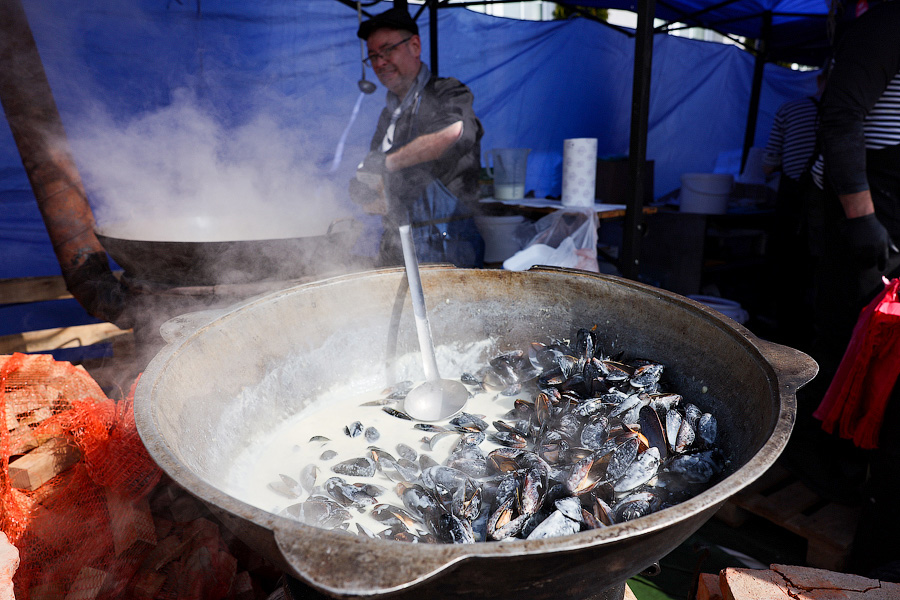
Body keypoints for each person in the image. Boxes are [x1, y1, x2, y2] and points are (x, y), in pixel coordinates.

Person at [791, 0, 900, 580]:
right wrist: (861, 222)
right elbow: (841, 116)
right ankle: (823, 461)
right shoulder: (888, 21)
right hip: (859, 200)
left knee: (885, 343)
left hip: (893, 196)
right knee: (843, 331)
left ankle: (859, 458)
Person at [349, 7, 485, 267]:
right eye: (373, 56)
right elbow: (377, 174)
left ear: (414, 45)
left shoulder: (448, 92)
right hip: (395, 244)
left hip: (446, 245)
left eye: (388, 50)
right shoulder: (387, 115)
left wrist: (387, 162)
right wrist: (364, 187)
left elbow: (453, 132)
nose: (379, 63)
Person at [761, 70, 828, 351]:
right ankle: (812, 336)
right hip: (826, 210)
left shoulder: (790, 109)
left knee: (786, 267)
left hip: (791, 204)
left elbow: (768, 163)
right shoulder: (851, 115)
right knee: (817, 271)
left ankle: (784, 334)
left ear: (818, 80)